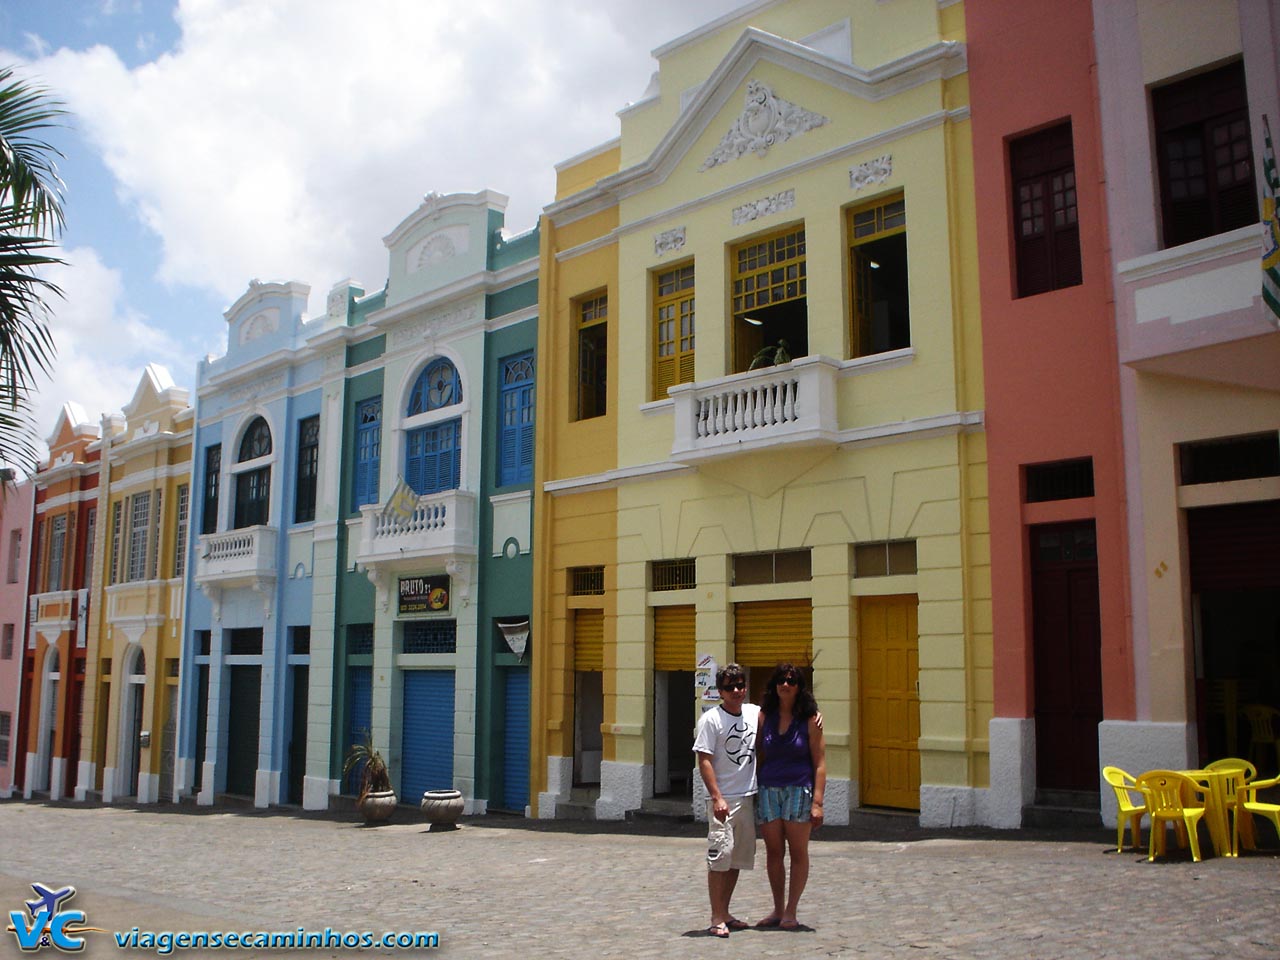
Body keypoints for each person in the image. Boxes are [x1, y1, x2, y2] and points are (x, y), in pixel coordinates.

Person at [754, 662, 826, 930]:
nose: (786, 684)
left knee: (798, 852)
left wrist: (817, 802)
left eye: (792, 680)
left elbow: (820, 762)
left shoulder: (810, 719)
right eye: (781, 680)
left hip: (799, 789)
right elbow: (756, 751)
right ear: (774, 685)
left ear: (799, 687)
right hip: (769, 790)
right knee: (774, 852)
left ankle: (791, 911)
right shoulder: (763, 716)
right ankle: (777, 908)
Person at [693, 663, 758, 938]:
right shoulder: (711, 720)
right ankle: (716, 916)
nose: (736, 690)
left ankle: (726, 912)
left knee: (736, 860)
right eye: (730, 686)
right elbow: (704, 759)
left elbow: (784, 717)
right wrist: (717, 797)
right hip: (723, 802)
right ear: (720, 691)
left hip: (747, 797)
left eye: (740, 685)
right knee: (720, 858)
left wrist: (814, 717)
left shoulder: (754, 713)